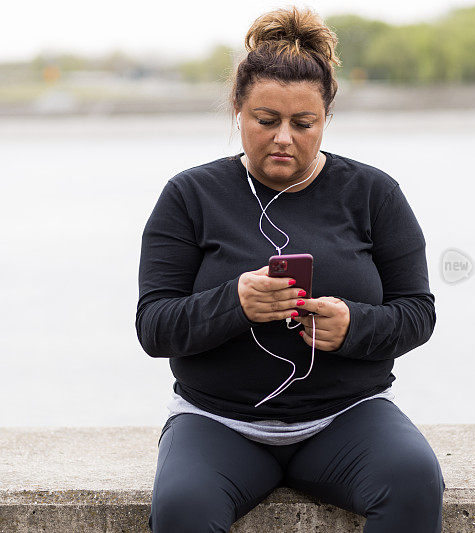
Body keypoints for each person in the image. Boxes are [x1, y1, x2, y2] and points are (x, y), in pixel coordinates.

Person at [135, 6, 444, 532]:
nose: (284, 138)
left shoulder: (374, 194)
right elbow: (153, 326)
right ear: (238, 109)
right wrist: (234, 303)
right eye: (266, 120)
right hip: (217, 423)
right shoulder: (189, 195)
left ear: (326, 118)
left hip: (347, 417)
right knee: (182, 507)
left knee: (414, 477)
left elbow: (417, 313)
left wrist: (353, 326)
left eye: (303, 124)